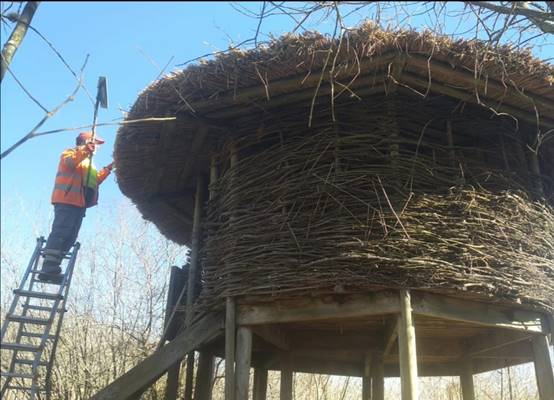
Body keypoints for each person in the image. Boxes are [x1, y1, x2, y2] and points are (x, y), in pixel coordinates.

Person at [39, 131, 114, 282]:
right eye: (95, 144)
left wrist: (109, 168)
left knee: (70, 236)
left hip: (80, 205)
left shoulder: (89, 163)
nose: (97, 148)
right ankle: (48, 266)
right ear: (86, 142)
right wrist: (86, 151)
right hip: (67, 200)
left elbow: (93, 182)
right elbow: (70, 163)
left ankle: (53, 269)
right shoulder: (70, 153)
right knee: (61, 231)